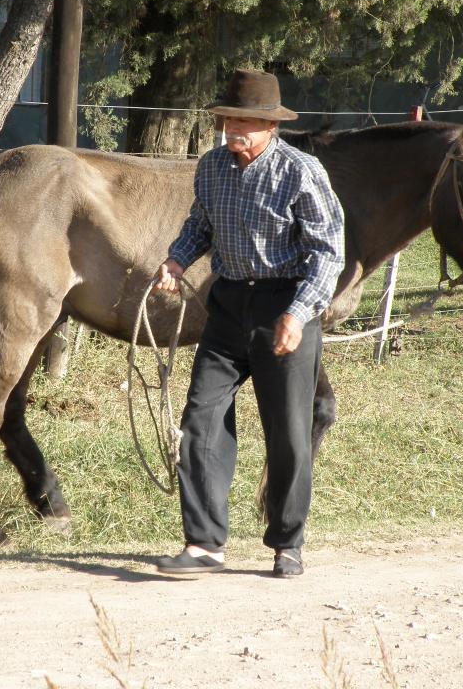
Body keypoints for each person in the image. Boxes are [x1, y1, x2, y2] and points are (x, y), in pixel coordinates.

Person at [153, 68, 345, 578]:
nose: (234, 130)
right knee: (201, 418)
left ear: (271, 126)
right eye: (228, 119)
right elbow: (200, 224)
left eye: (246, 122)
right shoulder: (213, 166)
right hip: (228, 306)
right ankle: (204, 544)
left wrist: (299, 314)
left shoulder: (302, 172)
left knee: (287, 432)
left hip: (285, 306)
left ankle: (287, 542)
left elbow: (328, 253)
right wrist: (176, 261)